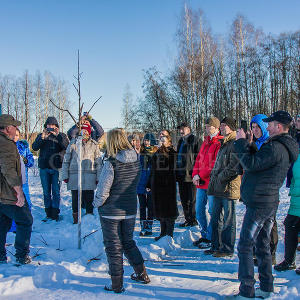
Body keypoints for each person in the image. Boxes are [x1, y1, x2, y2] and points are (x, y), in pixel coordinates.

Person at [226, 111, 299, 300]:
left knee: (244, 245)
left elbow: (250, 165)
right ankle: (266, 287)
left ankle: (246, 292)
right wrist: (249, 145)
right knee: (262, 245)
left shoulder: (276, 147)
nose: (267, 127)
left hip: (260, 204)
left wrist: (241, 142)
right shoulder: (279, 146)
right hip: (267, 201)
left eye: (270, 124)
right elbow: (258, 164)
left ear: (280, 127)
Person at [93, 128, 150, 293]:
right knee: (128, 242)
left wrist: (97, 203)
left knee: (113, 246)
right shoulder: (136, 160)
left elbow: (103, 190)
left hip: (111, 210)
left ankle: (116, 284)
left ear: (112, 142)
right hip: (130, 208)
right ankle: (142, 274)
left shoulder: (111, 163)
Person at [206, 117, 242, 257]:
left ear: (231, 127)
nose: (221, 127)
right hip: (218, 188)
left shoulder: (235, 143)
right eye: (220, 125)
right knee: (215, 218)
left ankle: (227, 249)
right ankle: (216, 246)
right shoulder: (224, 143)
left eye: (224, 125)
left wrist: (220, 177)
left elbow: (234, 167)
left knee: (228, 220)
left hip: (229, 187)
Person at [0, 114, 33, 265]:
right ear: (7, 129)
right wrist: (18, 192)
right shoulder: (5, 144)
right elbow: (8, 170)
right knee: (25, 220)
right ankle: (21, 256)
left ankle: (1, 255)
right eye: (14, 126)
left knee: (3, 223)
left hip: (3, 193)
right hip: (8, 194)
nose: (16, 128)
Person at [250, 114, 278, 265]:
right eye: (253, 127)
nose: (255, 130)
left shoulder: (270, 143)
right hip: (254, 190)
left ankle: (271, 253)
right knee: (256, 222)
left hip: (268, 190)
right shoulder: (253, 144)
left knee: (270, 223)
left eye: (257, 127)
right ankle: (258, 251)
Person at [274, 114, 300, 274]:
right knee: (290, 224)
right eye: (297, 119)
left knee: (291, 223)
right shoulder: (295, 138)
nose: (297, 121)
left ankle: (290, 260)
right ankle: (289, 261)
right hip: (296, 189)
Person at [61, 122, 101, 224]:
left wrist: (98, 177)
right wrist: (65, 175)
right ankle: (76, 219)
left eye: (87, 131)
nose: (84, 134)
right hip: (75, 176)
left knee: (89, 198)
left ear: (89, 132)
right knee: (75, 199)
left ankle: (89, 218)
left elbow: (98, 162)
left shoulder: (94, 145)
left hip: (90, 176)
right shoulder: (73, 143)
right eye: (82, 131)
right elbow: (66, 160)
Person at [192, 117, 222, 249]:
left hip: (211, 183)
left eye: (209, 126)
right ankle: (204, 234)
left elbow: (214, 164)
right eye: (206, 126)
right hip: (200, 183)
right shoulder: (206, 141)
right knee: (199, 210)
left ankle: (210, 237)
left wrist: (200, 174)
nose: (207, 128)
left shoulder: (219, 143)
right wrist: (194, 174)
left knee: (212, 210)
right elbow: (198, 159)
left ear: (216, 128)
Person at [32, 116, 69, 221]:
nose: (51, 127)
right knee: (46, 192)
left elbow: (67, 147)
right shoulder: (42, 136)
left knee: (56, 192)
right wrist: (42, 137)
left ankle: (55, 213)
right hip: (44, 168)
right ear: (45, 126)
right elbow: (34, 147)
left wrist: (58, 136)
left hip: (56, 168)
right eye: (49, 125)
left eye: (53, 125)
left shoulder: (61, 136)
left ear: (56, 126)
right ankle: (48, 213)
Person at [147, 130, 178, 241]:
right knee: (160, 209)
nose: (161, 137)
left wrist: (163, 150)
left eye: (164, 136)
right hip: (156, 183)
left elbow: (171, 167)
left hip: (167, 184)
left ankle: (169, 234)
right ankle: (163, 233)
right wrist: (149, 183)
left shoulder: (172, 152)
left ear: (168, 139)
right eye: (160, 135)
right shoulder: (158, 151)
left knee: (168, 209)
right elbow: (153, 168)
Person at [10, 128, 34, 232]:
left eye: (17, 135)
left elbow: (31, 162)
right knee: (12, 203)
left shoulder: (23, 146)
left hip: (23, 180)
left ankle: (26, 224)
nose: (15, 137)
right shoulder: (5, 146)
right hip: (10, 181)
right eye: (13, 135)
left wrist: (26, 160)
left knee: (26, 202)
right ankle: (13, 227)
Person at [176, 122, 199, 227]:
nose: (181, 131)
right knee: (184, 199)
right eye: (180, 129)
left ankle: (193, 220)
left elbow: (200, 158)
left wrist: (197, 173)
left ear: (189, 129)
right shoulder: (180, 141)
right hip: (181, 175)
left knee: (192, 199)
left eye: (183, 129)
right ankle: (187, 219)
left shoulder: (195, 140)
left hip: (191, 175)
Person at [137, 133, 157, 236]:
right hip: (140, 183)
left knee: (150, 206)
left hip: (150, 183)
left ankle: (149, 227)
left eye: (148, 140)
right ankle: (143, 227)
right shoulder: (140, 152)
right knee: (142, 206)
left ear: (152, 141)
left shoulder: (155, 154)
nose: (146, 142)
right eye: (145, 140)